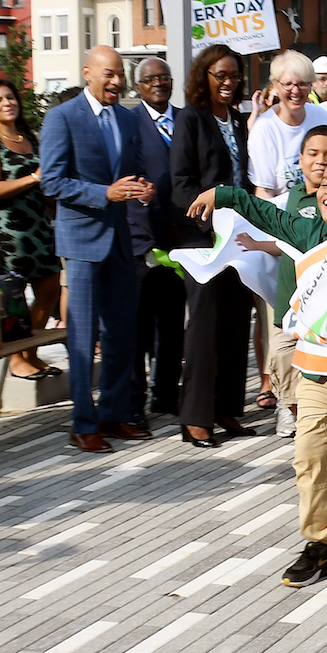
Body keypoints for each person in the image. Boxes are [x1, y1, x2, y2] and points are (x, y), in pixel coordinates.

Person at [188, 157, 327, 586]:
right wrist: (223, 194)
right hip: (318, 374)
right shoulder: (306, 232)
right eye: (324, 182)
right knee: (309, 462)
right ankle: (319, 545)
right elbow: (266, 213)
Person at [40, 46, 156, 453]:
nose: (117, 82)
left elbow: (135, 168)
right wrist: (103, 193)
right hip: (82, 242)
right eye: (109, 74)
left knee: (123, 334)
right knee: (82, 337)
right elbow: (52, 182)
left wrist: (142, 188)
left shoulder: (126, 117)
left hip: (121, 242)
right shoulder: (61, 117)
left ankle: (113, 413)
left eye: (120, 74)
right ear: (87, 73)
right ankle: (83, 423)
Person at [172, 43, 256, 446]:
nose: (228, 82)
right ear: (203, 76)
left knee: (236, 323)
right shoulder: (190, 119)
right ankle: (195, 416)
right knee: (204, 327)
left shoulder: (238, 120)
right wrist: (212, 220)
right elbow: (180, 183)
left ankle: (226, 409)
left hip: (239, 236)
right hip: (202, 238)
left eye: (234, 76)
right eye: (220, 75)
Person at [0, 80, 61, 379]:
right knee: (13, 294)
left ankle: (31, 353)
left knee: (50, 287)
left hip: (38, 224)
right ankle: (16, 359)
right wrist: (32, 179)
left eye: (10, 97)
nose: (6, 103)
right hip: (7, 229)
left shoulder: (31, 138)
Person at [127, 58, 186, 416]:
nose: (159, 83)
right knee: (139, 326)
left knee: (173, 324)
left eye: (165, 77)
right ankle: (135, 399)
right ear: (140, 86)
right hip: (141, 240)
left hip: (179, 238)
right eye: (151, 79)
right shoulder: (129, 123)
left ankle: (166, 393)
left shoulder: (186, 119)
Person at [249, 50, 327, 198]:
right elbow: (264, 191)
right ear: (275, 85)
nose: (295, 91)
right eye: (287, 84)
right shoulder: (264, 128)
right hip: (282, 216)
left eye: (302, 84)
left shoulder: (320, 115)